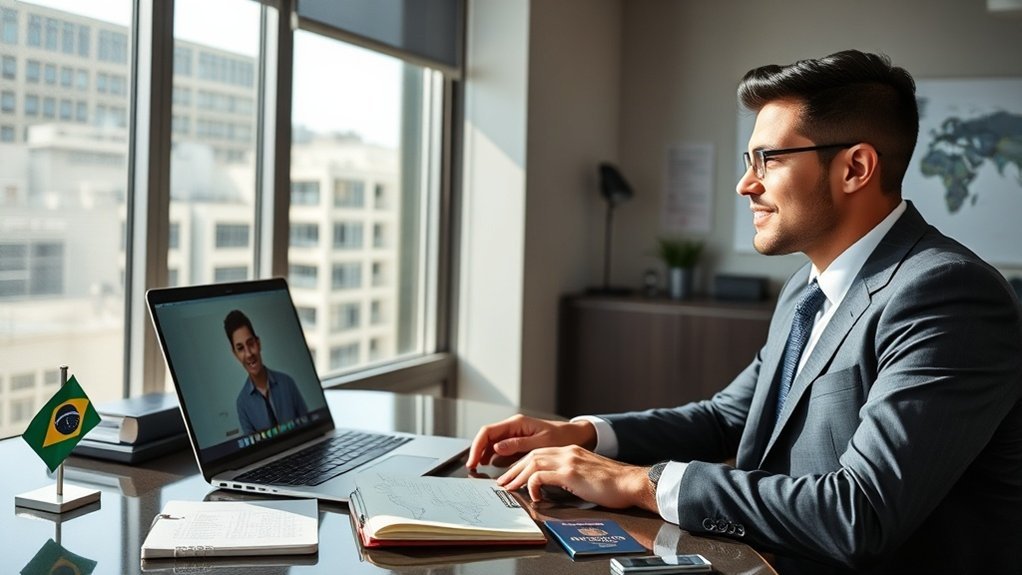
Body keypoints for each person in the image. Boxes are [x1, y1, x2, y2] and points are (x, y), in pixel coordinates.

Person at [466, 50, 1022, 574]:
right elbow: (728, 418)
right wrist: (584, 435)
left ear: (855, 168)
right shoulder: (807, 289)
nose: (745, 183)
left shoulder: (948, 293)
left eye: (769, 159)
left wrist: (642, 484)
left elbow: (861, 512)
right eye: (747, 159)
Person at [224, 309, 308, 435]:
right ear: (235, 354)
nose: (248, 354)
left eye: (251, 344)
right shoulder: (242, 403)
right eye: (240, 348)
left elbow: (309, 424)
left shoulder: (287, 383)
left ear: (258, 343)